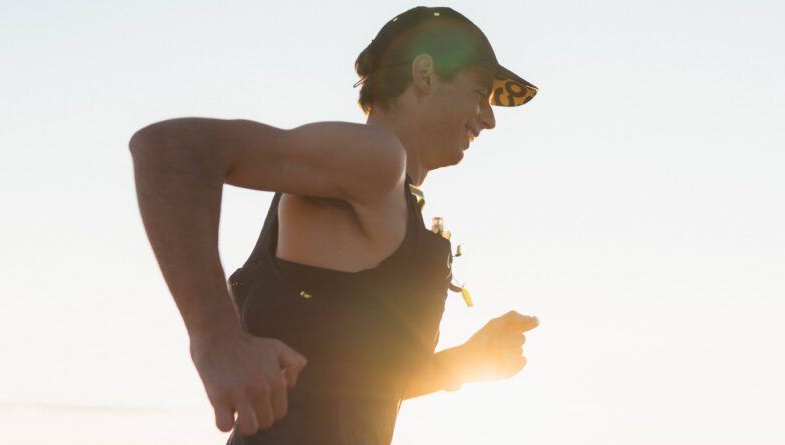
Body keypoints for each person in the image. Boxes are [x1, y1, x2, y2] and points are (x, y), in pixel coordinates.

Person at [128, 6, 539, 444]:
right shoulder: (376, 157)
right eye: (479, 93)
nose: (489, 118)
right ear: (425, 73)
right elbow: (170, 148)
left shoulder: (389, 197)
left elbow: (350, 386)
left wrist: (465, 361)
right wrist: (215, 340)